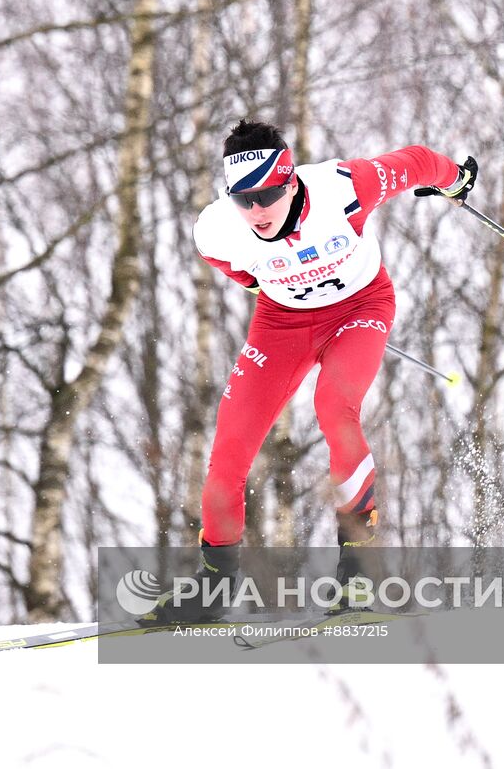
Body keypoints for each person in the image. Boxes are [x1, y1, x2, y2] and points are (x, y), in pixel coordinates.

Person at [146, 118, 476, 623]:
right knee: (230, 449)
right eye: (243, 199)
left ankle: (359, 570)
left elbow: (416, 163)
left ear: (291, 178)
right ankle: (212, 586)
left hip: (360, 308)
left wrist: (454, 179)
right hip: (281, 325)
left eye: (268, 194)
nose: (257, 210)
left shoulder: (343, 189)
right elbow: (230, 264)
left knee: (335, 411)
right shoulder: (215, 228)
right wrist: (262, 283)